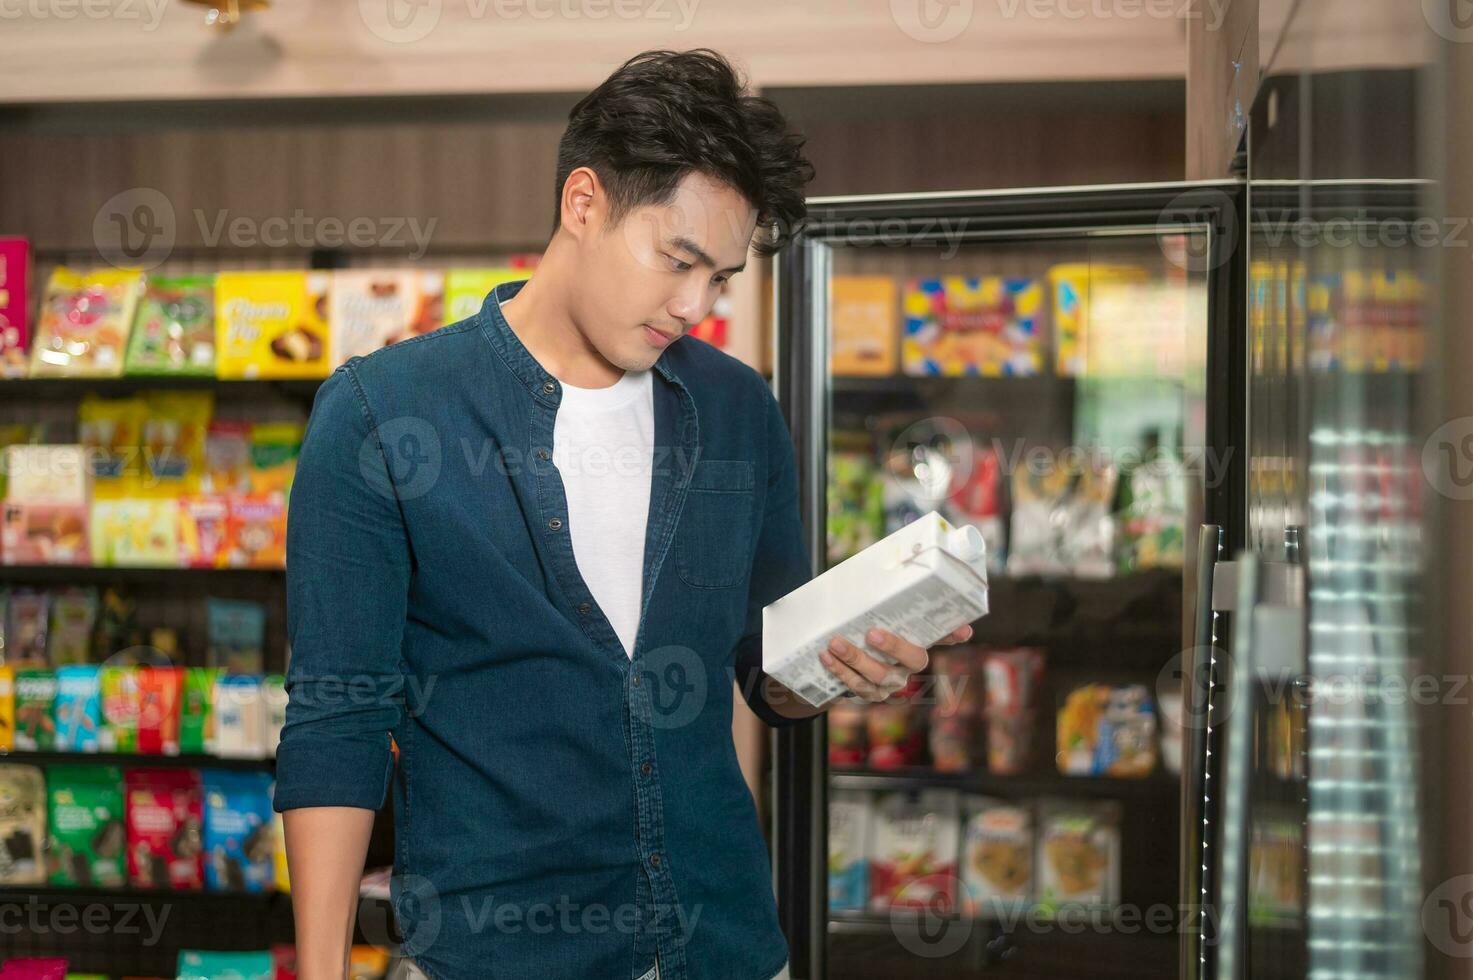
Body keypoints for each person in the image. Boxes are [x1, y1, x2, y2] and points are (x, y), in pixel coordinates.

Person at [274, 48, 973, 980]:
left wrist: (848, 667)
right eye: (677, 260)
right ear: (583, 204)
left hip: (720, 942)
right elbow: (337, 720)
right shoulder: (382, 413)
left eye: (720, 278)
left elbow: (766, 678)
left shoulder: (738, 410)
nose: (695, 305)